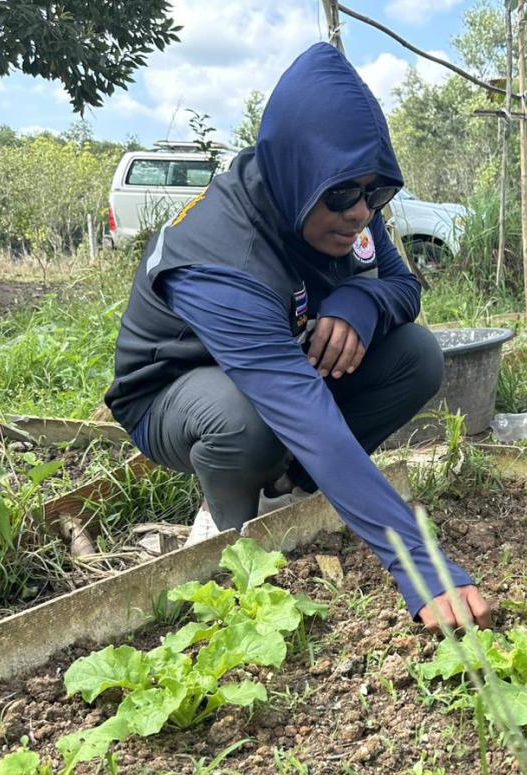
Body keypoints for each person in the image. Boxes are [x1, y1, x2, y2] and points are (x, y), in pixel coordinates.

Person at [104, 44, 489, 631]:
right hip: (174, 397)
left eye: (375, 192)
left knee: (417, 355)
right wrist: (420, 561)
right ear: (295, 171)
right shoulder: (224, 259)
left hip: (283, 372)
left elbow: (405, 290)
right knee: (245, 422)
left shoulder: (347, 200)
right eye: (343, 195)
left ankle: (291, 484)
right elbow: (300, 410)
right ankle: (231, 547)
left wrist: (360, 301)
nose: (361, 212)